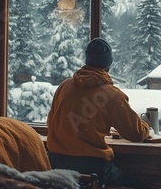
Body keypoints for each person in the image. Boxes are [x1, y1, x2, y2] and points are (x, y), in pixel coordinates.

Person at [46, 37, 150, 187]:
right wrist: (146, 126)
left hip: (56, 164)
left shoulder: (64, 87)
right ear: (109, 64)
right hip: (92, 168)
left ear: (87, 61)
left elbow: (51, 123)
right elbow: (135, 133)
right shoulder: (112, 95)